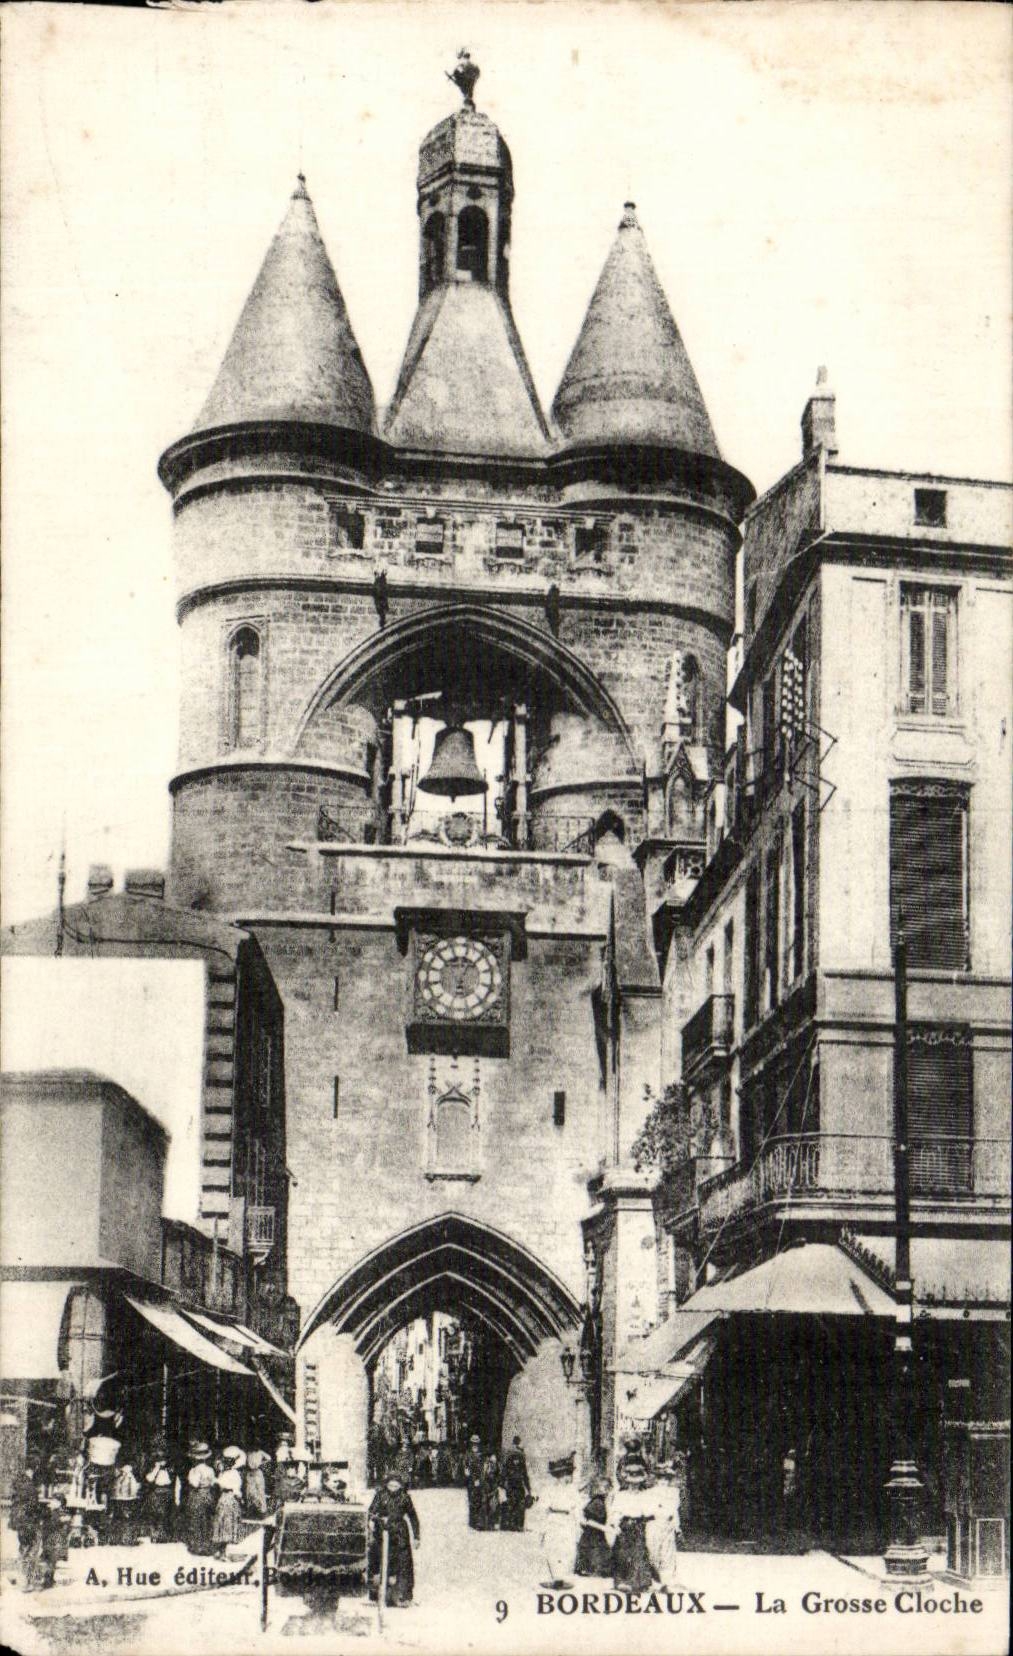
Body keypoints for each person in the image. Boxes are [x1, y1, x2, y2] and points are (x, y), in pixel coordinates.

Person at [368, 1473, 421, 1607]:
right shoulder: (380, 1495)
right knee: (380, 1561)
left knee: (403, 1564)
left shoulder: (405, 1497)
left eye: (396, 1486)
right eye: (390, 1485)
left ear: (400, 1486)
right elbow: (371, 1512)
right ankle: (379, 1595)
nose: (393, 1488)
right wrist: (374, 1520)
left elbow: (413, 1517)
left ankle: (403, 1596)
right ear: (386, 1484)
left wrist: (416, 1536)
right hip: (383, 1532)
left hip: (400, 1534)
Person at [611, 1457, 658, 1593]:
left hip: (638, 1525)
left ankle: (639, 1581)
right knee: (623, 1553)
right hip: (625, 1525)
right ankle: (622, 1581)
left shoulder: (644, 1496)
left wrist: (648, 1519)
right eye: (631, 1483)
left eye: (637, 1483)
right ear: (627, 1482)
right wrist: (615, 1525)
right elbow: (616, 1512)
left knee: (639, 1552)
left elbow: (649, 1511)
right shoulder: (621, 1495)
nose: (634, 1486)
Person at [540, 1453, 578, 1589]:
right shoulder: (549, 1489)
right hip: (553, 1519)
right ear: (559, 1476)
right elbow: (543, 1507)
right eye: (565, 1474)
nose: (568, 1478)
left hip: (567, 1520)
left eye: (569, 1474)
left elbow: (576, 1507)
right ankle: (555, 1577)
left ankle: (561, 1577)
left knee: (566, 1548)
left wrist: (577, 1523)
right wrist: (543, 1527)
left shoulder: (572, 1490)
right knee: (553, 1548)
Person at [183, 1440, 217, 1555]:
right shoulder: (210, 1470)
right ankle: (207, 1545)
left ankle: (198, 1546)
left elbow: (195, 1484)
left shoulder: (194, 1470)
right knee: (207, 1520)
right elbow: (213, 1483)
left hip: (197, 1495)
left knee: (196, 1520)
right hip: (208, 1495)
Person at [575, 1477, 613, 1576]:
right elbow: (589, 1521)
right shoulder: (598, 1502)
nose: (607, 1490)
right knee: (598, 1568)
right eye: (605, 1487)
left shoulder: (598, 1501)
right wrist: (605, 1528)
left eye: (608, 1487)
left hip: (594, 1537)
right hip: (593, 1539)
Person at [142, 1439, 174, 1542]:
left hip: (167, 1491)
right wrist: (156, 1468)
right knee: (155, 1513)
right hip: (156, 1491)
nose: (161, 1461)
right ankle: (154, 1535)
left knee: (165, 1514)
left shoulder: (169, 1468)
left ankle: (164, 1535)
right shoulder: (151, 1468)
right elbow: (149, 1479)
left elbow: (172, 1480)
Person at [499, 1436, 532, 1532]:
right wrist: (528, 1488)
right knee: (519, 1504)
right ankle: (518, 1525)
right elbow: (524, 1474)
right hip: (517, 1483)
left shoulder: (509, 1455)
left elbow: (504, 1470)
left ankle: (511, 1524)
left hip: (510, 1483)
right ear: (519, 1443)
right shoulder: (521, 1456)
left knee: (511, 1503)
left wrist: (502, 1484)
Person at [212, 1461, 244, 1557]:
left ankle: (222, 1550)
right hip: (228, 1498)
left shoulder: (229, 1474)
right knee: (225, 1523)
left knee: (225, 1523)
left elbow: (233, 1487)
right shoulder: (231, 1473)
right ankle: (222, 1550)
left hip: (227, 1498)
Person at [109, 1457, 141, 1545]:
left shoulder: (131, 1477)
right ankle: (117, 1538)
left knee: (127, 1518)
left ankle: (128, 1538)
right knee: (118, 1519)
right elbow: (115, 1488)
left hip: (128, 1500)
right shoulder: (118, 1477)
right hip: (118, 1499)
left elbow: (133, 1490)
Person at [464, 1435, 485, 1529]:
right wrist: (471, 1477)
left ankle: (478, 1522)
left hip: (479, 1481)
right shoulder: (468, 1455)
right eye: (473, 1443)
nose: (475, 1445)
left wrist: (480, 1479)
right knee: (472, 1501)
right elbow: (466, 1468)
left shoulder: (481, 1456)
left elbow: (483, 1469)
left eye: (476, 1443)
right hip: (471, 1481)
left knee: (479, 1501)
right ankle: (472, 1522)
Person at [244, 1447, 271, 1518]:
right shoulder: (250, 1452)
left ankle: (261, 1511)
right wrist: (262, 1463)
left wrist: (261, 1463)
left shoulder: (255, 1452)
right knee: (252, 1491)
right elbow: (269, 1458)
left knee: (258, 1491)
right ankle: (253, 1510)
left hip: (255, 1472)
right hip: (252, 1472)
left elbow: (269, 1458)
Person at [480, 1451, 502, 1531]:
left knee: (493, 1506)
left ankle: (492, 1524)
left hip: (493, 1487)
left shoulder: (497, 1466)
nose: (491, 1461)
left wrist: (497, 1485)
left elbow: (499, 1476)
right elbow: (483, 1476)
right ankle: (485, 1524)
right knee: (485, 1505)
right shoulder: (486, 1465)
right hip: (487, 1487)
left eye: (493, 1461)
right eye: (490, 1460)